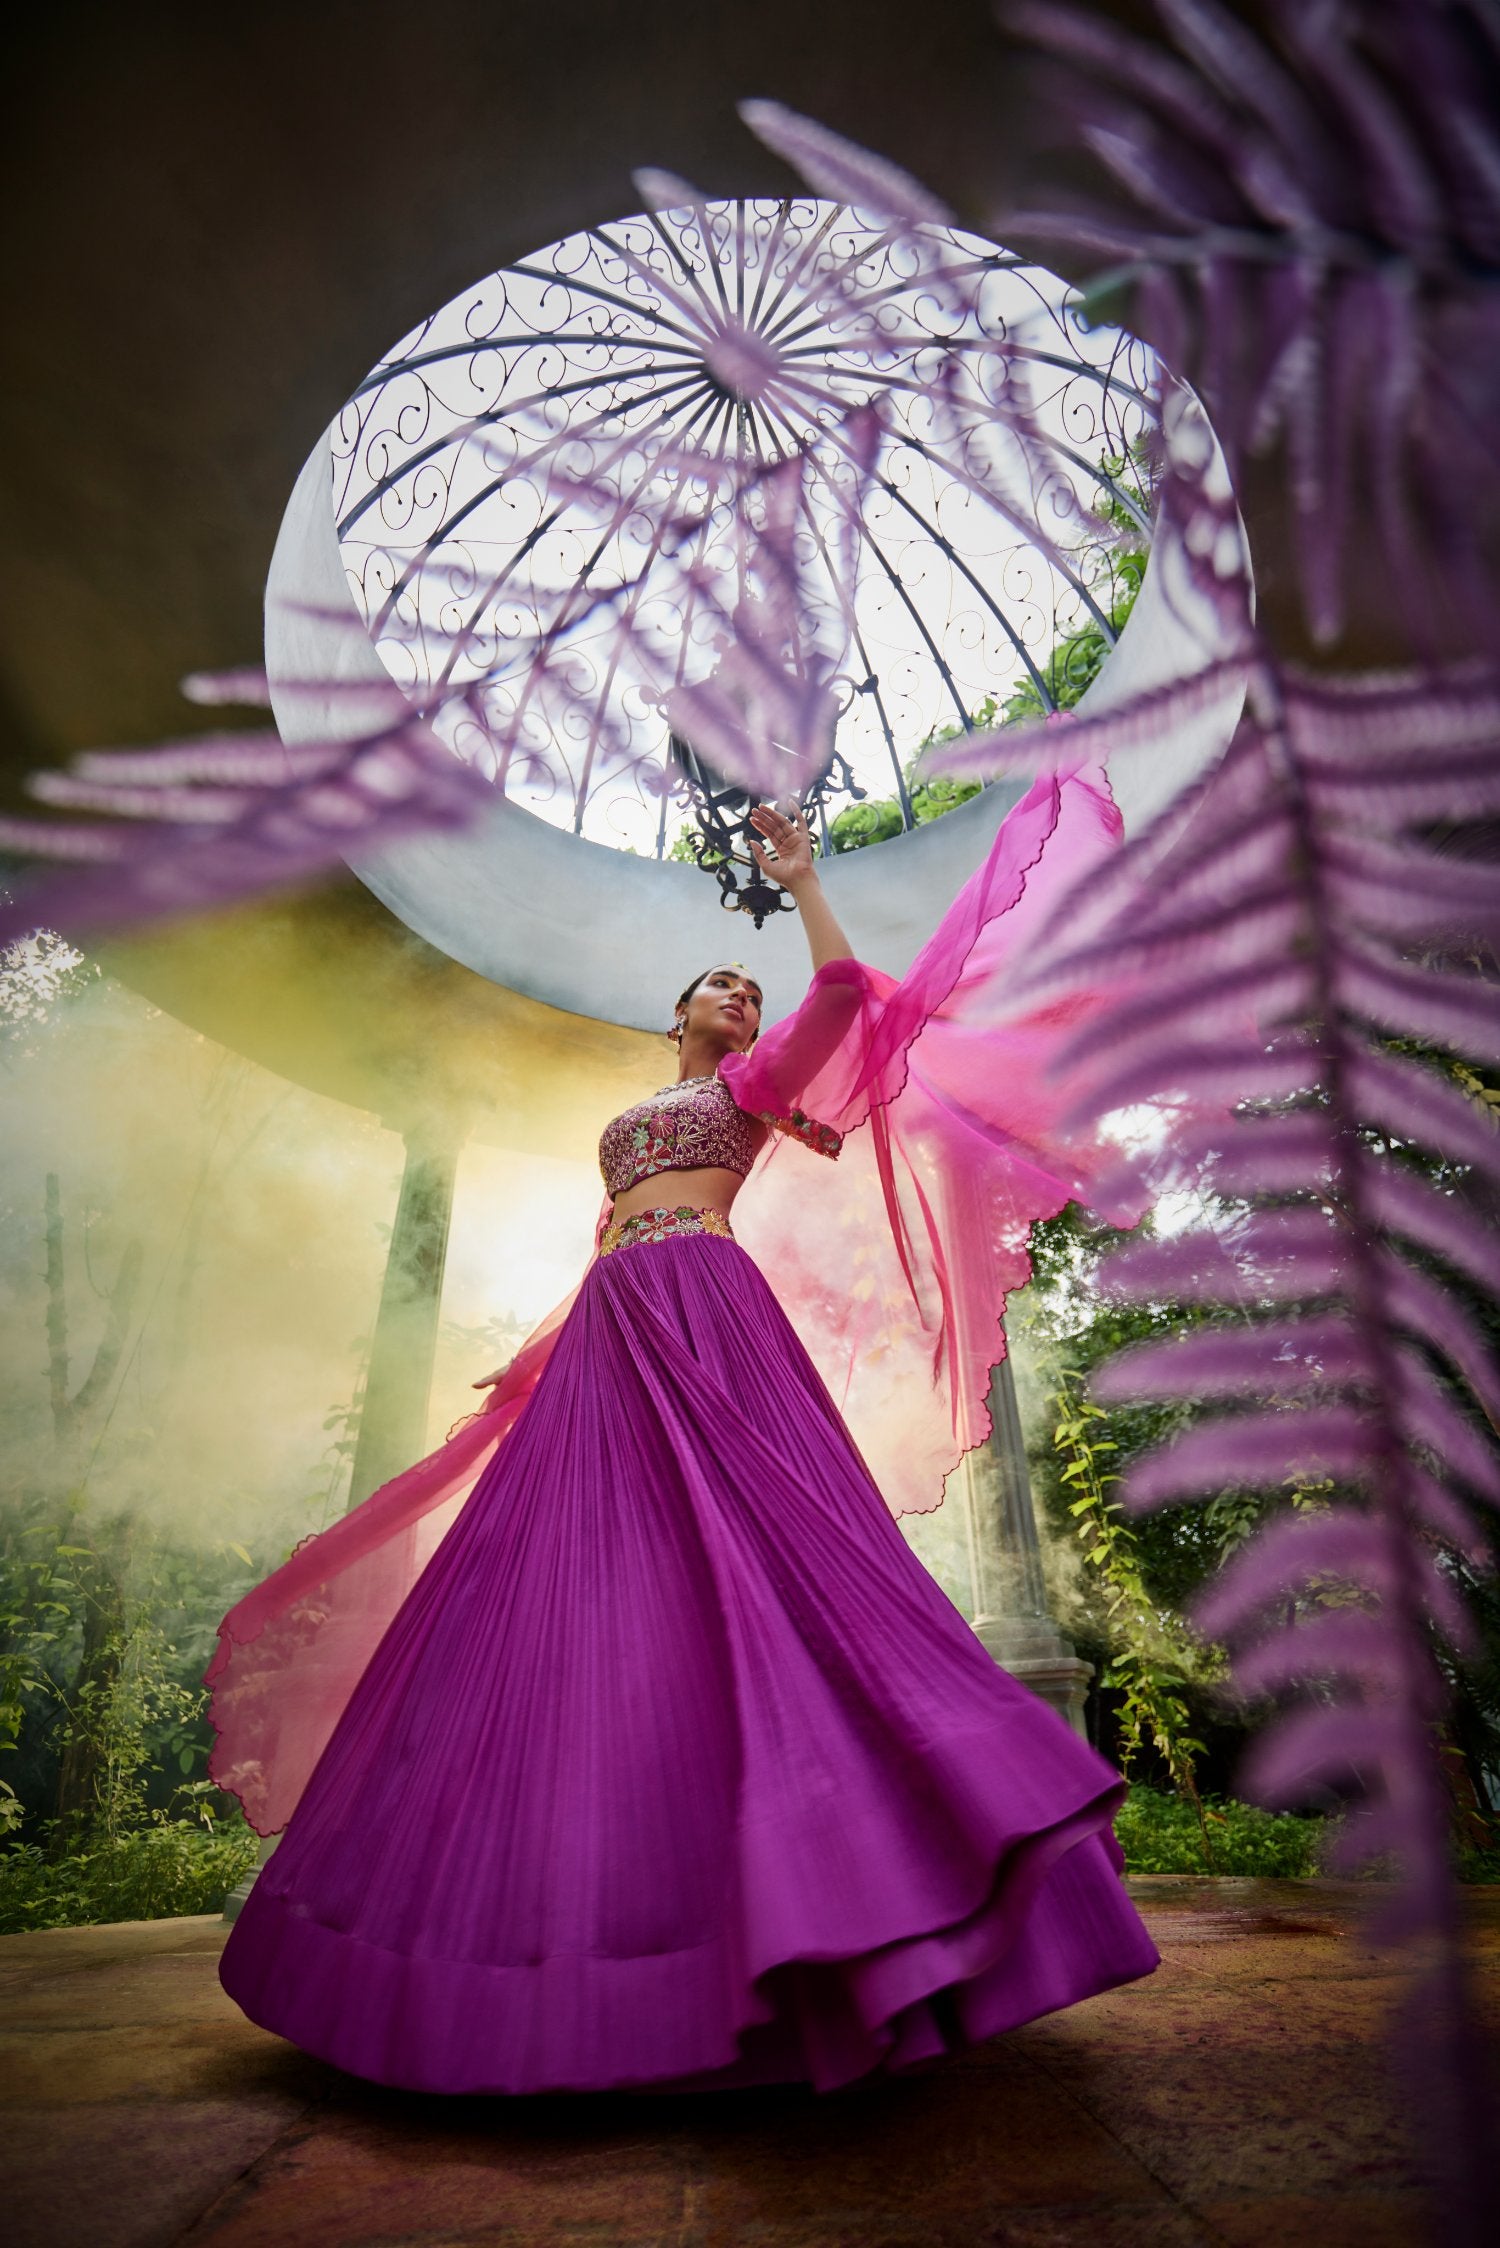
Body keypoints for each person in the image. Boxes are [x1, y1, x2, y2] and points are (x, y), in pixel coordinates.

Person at [210, 777, 1159, 2095]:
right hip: (611, 1319)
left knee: (768, 1548)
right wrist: (534, 1355)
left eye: (750, 995)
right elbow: (607, 1235)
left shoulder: (759, 1087)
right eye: (722, 987)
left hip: (707, 1305)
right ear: (678, 1014)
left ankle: (876, 1871)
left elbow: (845, 997)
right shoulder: (631, 1124)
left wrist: (802, 881)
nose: (742, 1000)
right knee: (564, 1574)